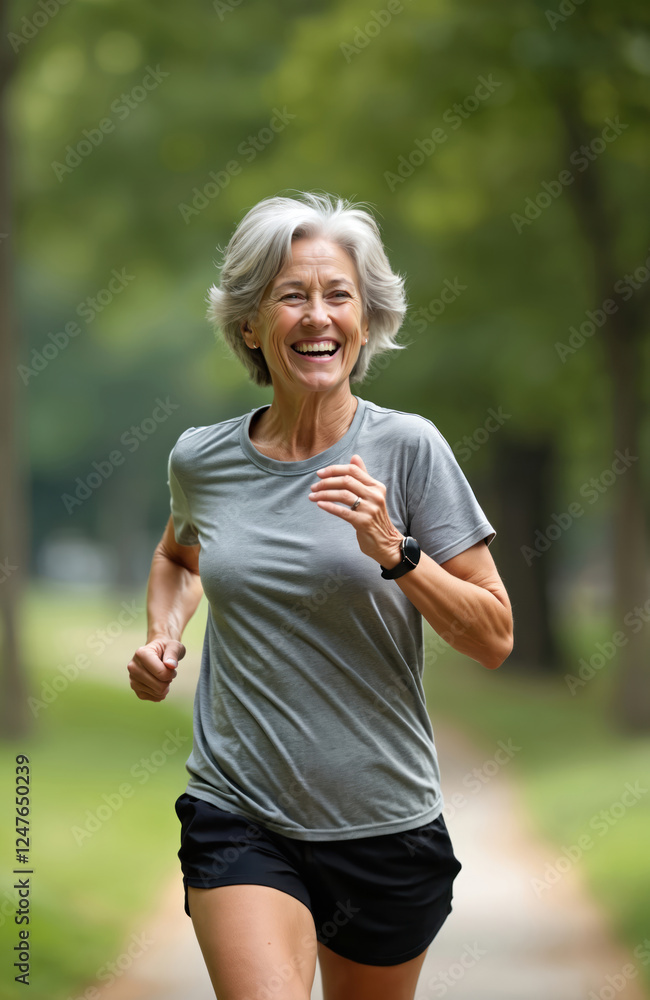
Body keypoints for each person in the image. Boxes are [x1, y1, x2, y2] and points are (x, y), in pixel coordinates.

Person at [127, 191, 513, 1000]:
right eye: (291, 294)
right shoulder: (203, 460)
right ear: (248, 324)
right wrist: (165, 633)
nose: (317, 315)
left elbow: (493, 636)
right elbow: (179, 557)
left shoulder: (409, 450)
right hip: (238, 810)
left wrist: (398, 553)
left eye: (338, 295)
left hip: (385, 824)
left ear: (366, 322)